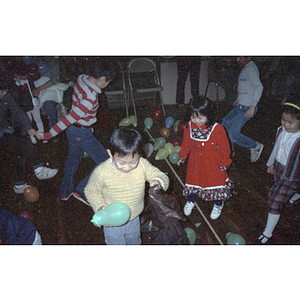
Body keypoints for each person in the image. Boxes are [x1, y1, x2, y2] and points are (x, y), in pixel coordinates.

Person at [35, 59, 116, 204]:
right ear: (102, 79)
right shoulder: (90, 98)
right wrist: (47, 135)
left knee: (73, 160)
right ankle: (82, 191)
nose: (107, 85)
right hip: (81, 133)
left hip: (73, 132)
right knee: (106, 162)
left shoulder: (82, 78)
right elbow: (68, 119)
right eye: (108, 82)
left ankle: (65, 192)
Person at [85, 128, 169, 245]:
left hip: (134, 218)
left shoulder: (142, 165)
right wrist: (100, 207)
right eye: (121, 163)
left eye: (133, 162)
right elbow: (91, 191)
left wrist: (158, 181)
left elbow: (160, 175)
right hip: (112, 222)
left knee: (134, 242)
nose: (127, 167)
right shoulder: (102, 172)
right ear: (110, 154)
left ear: (140, 155)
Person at [177, 95, 234, 219]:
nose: (196, 121)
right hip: (195, 160)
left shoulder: (217, 128)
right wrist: (182, 156)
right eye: (193, 117)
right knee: (193, 180)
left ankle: (218, 203)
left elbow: (225, 148)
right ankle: (191, 200)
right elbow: (186, 142)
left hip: (213, 161)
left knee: (215, 181)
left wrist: (224, 162)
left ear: (208, 114)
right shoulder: (189, 126)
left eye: (200, 117)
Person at [0, 76, 58, 194]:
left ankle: (19, 184)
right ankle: (39, 169)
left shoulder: (5, 96)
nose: (4, 94)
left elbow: (18, 112)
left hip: (4, 129)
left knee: (19, 152)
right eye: (2, 92)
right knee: (22, 143)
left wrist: (29, 128)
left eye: (5, 91)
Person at [256, 99, 300, 244]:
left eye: (290, 122)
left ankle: (267, 233)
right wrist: (271, 163)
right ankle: (295, 194)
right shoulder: (281, 130)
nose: (285, 124)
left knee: (275, 201)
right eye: (283, 120)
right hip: (279, 168)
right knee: (279, 191)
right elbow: (277, 149)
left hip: (293, 176)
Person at [222, 56, 264, 162]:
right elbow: (245, 87)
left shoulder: (250, 69)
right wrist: (239, 99)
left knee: (233, 133)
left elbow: (259, 87)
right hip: (241, 104)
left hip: (247, 107)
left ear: (248, 56)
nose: (237, 60)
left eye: (240, 58)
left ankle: (255, 146)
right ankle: (229, 151)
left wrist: (252, 106)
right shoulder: (246, 68)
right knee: (225, 122)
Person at [12, 61, 45, 144]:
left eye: (25, 75)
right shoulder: (17, 84)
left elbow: (37, 76)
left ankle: (42, 135)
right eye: (22, 75)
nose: (24, 77)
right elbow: (16, 93)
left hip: (34, 104)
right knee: (28, 122)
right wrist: (18, 81)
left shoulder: (30, 79)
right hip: (25, 106)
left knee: (38, 119)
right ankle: (32, 137)